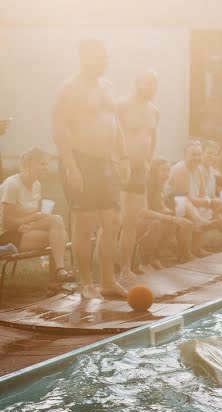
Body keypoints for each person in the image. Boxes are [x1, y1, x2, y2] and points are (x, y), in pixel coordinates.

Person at [52, 39, 129, 299]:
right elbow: (60, 129)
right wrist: (71, 166)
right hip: (79, 160)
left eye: (107, 57)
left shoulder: (107, 87)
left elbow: (114, 123)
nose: (106, 62)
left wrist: (123, 156)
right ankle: (86, 283)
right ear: (84, 57)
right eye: (101, 57)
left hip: (104, 161)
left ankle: (108, 281)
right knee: (84, 222)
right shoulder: (69, 89)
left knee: (113, 220)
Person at [166, 140, 222, 254]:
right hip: (175, 205)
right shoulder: (181, 169)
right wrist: (211, 203)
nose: (197, 157)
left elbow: (205, 195)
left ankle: (198, 248)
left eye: (198, 154)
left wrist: (219, 202)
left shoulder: (199, 170)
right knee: (211, 211)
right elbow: (183, 200)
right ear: (185, 155)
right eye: (193, 154)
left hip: (190, 203)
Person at [0, 147, 73, 282]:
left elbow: (32, 214)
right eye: (42, 164)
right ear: (29, 164)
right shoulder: (12, 185)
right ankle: (58, 277)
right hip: (6, 237)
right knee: (58, 237)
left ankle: (59, 272)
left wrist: (31, 225)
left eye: (47, 164)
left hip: (23, 231)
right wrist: (30, 220)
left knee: (57, 222)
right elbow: (6, 222)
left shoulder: (37, 185)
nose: (46, 167)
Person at [116, 69, 160, 279]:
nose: (151, 88)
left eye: (154, 84)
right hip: (121, 168)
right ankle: (120, 267)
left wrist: (149, 160)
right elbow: (113, 134)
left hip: (141, 169)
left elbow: (152, 137)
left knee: (136, 220)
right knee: (120, 220)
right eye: (147, 83)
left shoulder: (154, 111)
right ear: (137, 84)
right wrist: (119, 160)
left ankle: (128, 265)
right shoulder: (122, 106)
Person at [136, 157, 194, 269]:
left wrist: (175, 215)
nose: (166, 174)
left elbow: (162, 208)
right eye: (163, 170)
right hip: (135, 221)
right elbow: (143, 212)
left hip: (150, 219)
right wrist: (171, 218)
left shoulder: (160, 185)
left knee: (175, 222)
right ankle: (144, 262)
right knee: (158, 224)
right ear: (154, 171)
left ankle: (155, 257)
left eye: (168, 170)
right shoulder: (146, 185)